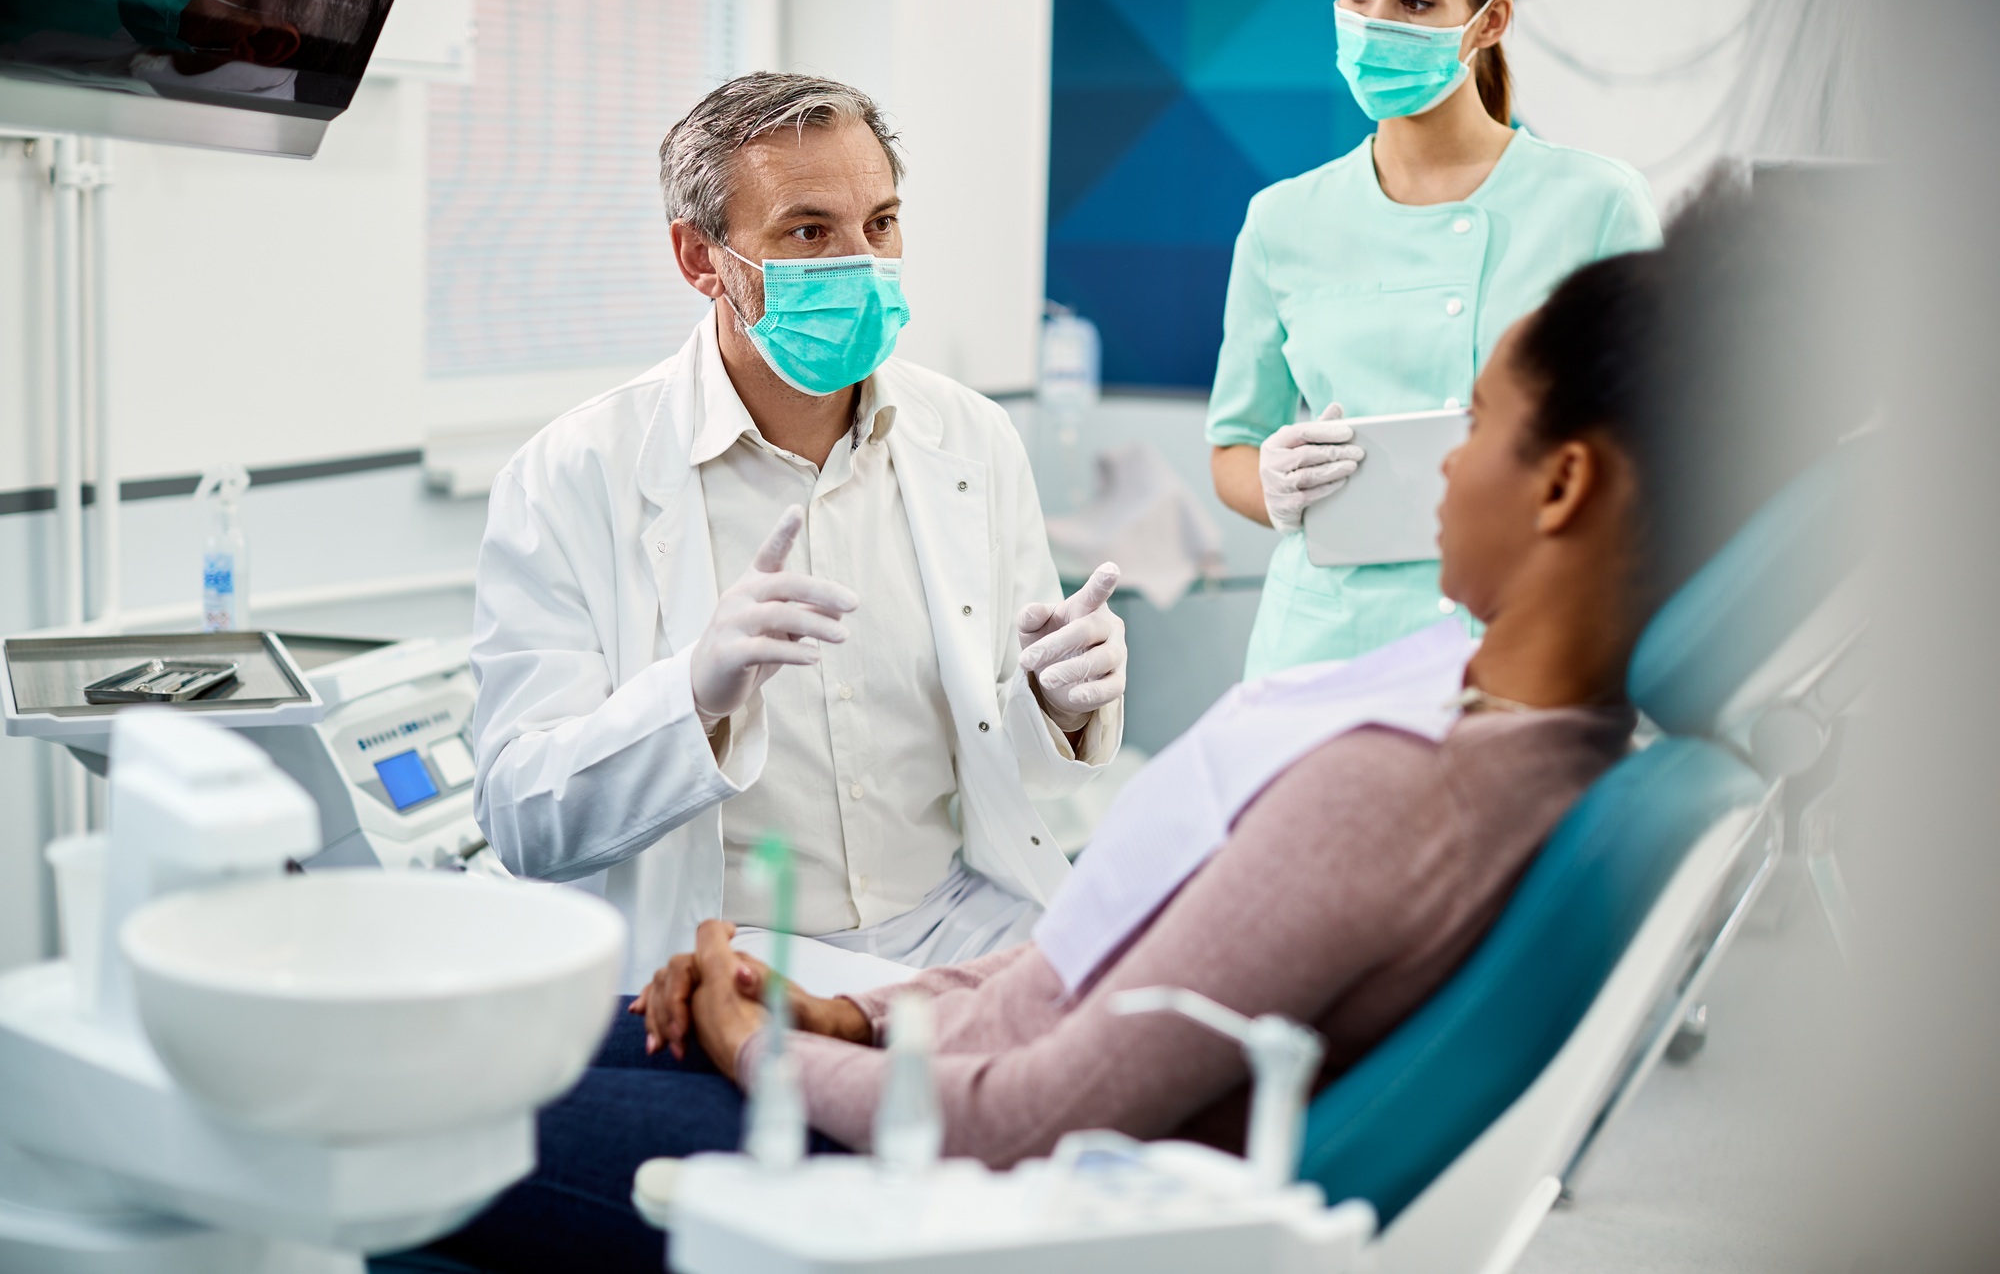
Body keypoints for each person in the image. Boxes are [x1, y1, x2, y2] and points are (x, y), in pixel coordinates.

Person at [396, 179, 1817, 1274]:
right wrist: (821, 1004)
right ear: (702, 257)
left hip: (944, 1199)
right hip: (916, 1042)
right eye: (814, 230)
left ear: (1565, 485)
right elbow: (1070, 991)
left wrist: (751, 1040)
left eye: (1480, 421)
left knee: (377, 1126)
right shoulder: (1491, 726)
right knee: (503, 1045)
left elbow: (1021, 1117)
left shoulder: (1402, 789)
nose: (1441, 465)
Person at [469, 73, 1128, 989]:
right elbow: (520, 819)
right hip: (733, 962)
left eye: (883, 223)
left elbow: (1022, 776)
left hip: (960, 930)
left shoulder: (970, 437)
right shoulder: (571, 476)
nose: (863, 263)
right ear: (702, 260)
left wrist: (1054, 706)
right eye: (809, 231)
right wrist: (692, 698)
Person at [1207, 0, 1662, 679]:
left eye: (1414, 3)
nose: (1375, 24)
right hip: (1326, 655)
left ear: (1490, 21)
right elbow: (1232, 447)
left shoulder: (1598, 205)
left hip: (1525, 644)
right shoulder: (1282, 221)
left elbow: (1655, 446)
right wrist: (1271, 483)